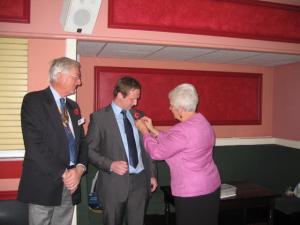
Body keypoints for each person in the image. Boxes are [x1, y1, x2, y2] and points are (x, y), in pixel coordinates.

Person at [135, 83, 221, 225]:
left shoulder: (181, 130)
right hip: (211, 186)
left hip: (191, 192)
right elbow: (177, 143)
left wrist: (144, 132)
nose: (170, 108)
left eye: (171, 105)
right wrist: (153, 129)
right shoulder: (202, 122)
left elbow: (157, 152)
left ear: (180, 109)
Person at [18, 57, 88, 225]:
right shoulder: (34, 101)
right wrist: (65, 173)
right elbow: (34, 146)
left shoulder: (74, 107)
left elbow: (82, 143)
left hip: (71, 184)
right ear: (60, 75)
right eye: (76, 76)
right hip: (44, 182)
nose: (79, 81)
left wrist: (79, 170)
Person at [87, 76, 158, 225]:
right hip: (114, 183)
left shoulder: (139, 115)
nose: (135, 103)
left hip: (140, 181)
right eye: (132, 99)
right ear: (120, 95)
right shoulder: (99, 118)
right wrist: (110, 164)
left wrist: (152, 174)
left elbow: (147, 148)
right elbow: (89, 150)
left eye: (137, 99)